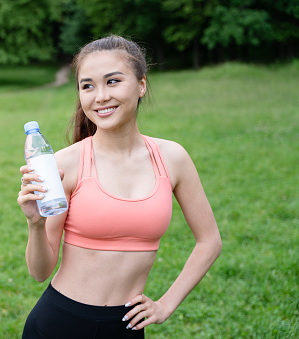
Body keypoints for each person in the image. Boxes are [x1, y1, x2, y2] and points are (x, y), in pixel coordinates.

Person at [17, 34, 222, 338]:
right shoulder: (66, 164)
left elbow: (210, 241)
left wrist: (166, 305)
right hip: (58, 323)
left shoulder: (172, 158)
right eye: (87, 86)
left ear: (141, 85)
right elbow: (39, 272)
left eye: (112, 81)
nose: (100, 96)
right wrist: (36, 224)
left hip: (126, 327)